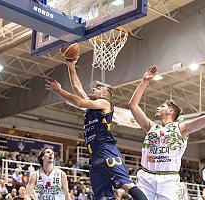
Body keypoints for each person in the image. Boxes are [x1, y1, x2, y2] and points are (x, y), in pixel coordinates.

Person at [45, 59, 147, 200]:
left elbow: (79, 102)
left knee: (127, 185)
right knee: (103, 197)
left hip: (106, 151)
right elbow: (77, 87)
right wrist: (71, 66)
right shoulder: (92, 106)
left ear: (105, 95)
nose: (93, 89)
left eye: (98, 89)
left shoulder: (105, 103)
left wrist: (60, 91)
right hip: (94, 157)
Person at [129, 66, 205, 200]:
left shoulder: (182, 128)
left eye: (162, 106)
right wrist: (145, 81)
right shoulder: (150, 127)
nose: (158, 107)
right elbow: (133, 105)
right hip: (146, 176)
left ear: (171, 112)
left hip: (168, 180)